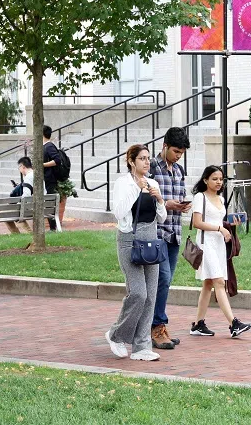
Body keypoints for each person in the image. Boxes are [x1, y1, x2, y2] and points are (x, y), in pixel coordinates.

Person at [105, 144, 167, 362]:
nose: (147, 162)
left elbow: (162, 218)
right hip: (129, 241)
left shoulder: (153, 183)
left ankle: (141, 347)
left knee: (150, 297)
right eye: (142, 158)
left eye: (148, 158)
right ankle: (115, 335)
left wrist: (159, 198)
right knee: (138, 294)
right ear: (131, 161)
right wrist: (136, 188)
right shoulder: (123, 183)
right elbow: (119, 212)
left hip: (151, 243)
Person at [188, 165, 251, 339]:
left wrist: (230, 225)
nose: (218, 182)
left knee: (208, 284)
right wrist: (219, 229)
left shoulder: (221, 199)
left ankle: (198, 324)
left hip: (218, 244)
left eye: (220, 179)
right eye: (214, 179)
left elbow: (219, 221)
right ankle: (234, 324)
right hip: (206, 244)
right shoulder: (200, 197)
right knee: (218, 282)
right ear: (205, 180)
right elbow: (197, 223)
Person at [148, 127, 192, 351]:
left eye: (181, 153)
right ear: (164, 146)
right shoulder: (151, 168)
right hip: (156, 233)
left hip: (174, 232)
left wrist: (182, 204)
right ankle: (157, 326)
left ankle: (156, 326)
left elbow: (178, 196)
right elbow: (146, 200)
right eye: (176, 151)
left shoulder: (179, 170)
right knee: (163, 278)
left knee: (165, 281)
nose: (178, 156)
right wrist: (168, 203)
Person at [5, 157, 35, 234]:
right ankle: (21, 234)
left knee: (8, 214)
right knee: (14, 212)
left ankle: (26, 233)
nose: (20, 170)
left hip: (32, 207)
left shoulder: (28, 177)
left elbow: (26, 196)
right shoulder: (38, 175)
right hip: (41, 205)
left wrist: (18, 205)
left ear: (22, 166)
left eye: (19, 168)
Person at [41, 125, 63, 232]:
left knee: (49, 201)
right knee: (47, 201)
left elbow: (57, 160)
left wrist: (43, 165)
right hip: (46, 179)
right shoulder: (45, 146)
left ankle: (53, 227)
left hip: (50, 179)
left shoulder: (49, 146)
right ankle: (52, 227)